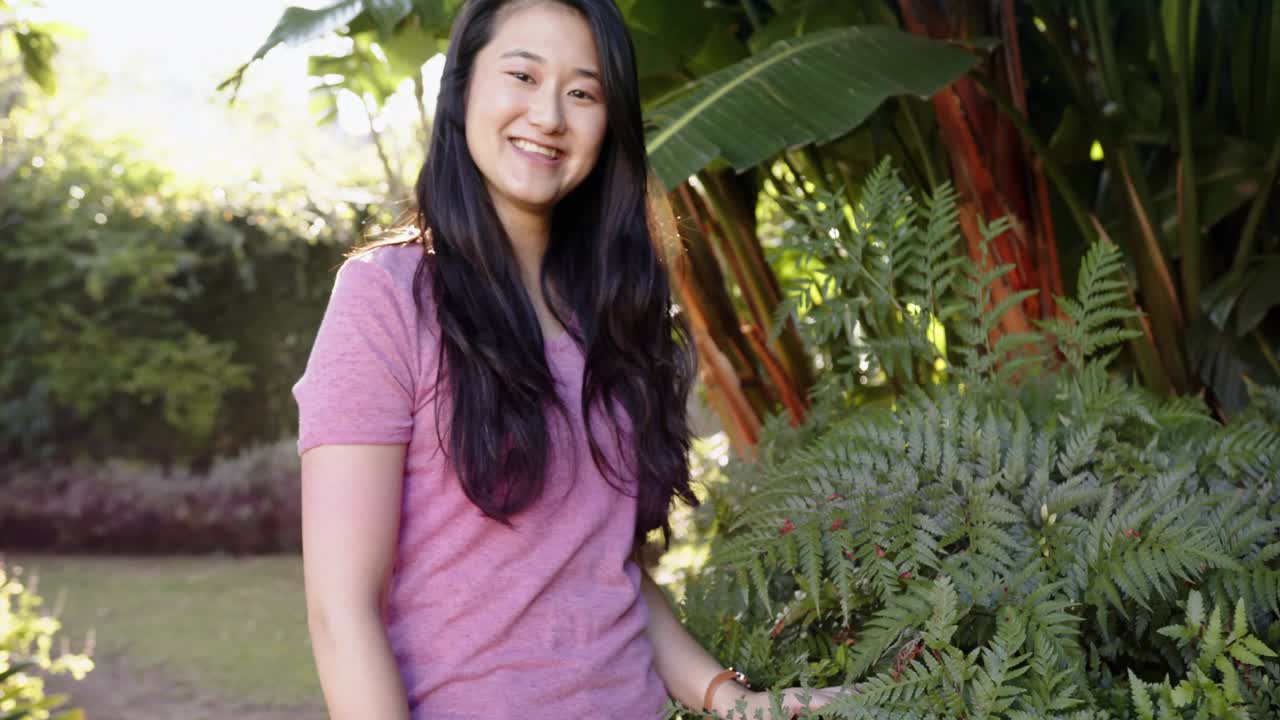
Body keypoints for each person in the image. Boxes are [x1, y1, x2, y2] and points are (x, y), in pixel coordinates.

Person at [293, 0, 841, 717]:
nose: (549, 115)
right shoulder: (386, 297)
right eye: (522, 75)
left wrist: (733, 700)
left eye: (583, 92)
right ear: (462, 89)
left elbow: (603, 568)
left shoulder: (614, 313)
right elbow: (342, 615)